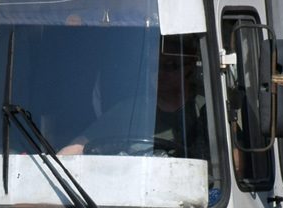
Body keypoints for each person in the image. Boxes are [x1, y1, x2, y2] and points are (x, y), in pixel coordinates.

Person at [58, 36, 208, 159]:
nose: (159, 73)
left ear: (189, 67)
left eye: (168, 65)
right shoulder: (127, 110)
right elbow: (80, 145)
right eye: (153, 67)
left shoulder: (206, 109)